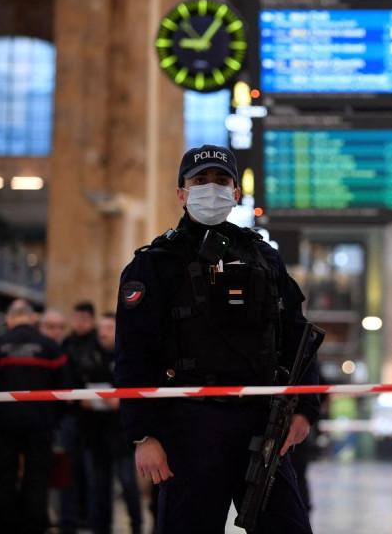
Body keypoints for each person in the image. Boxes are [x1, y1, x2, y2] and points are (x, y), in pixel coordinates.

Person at [115, 144, 320, 534]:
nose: (212, 188)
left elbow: (296, 335)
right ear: (181, 193)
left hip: (263, 424)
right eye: (200, 180)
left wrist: (305, 407)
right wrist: (143, 435)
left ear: (236, 192)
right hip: (189, 429)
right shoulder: (154, 263)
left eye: (222, 180)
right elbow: (133, 354)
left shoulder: (264, 257)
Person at [0, 299, 68, 534]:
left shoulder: (1, 344)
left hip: (3, 424)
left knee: (4, 475)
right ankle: (35, 525)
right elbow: (65, 387)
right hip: (40, 423)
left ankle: (6, 523)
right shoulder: (49, 346)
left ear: (9, 320)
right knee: (37, 477)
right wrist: (54, 419)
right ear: (32, 319)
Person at [82, 312, 142, 534]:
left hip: (122, 433)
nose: (103, 333)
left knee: (128, 483)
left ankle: (137, 526)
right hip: (96, 433)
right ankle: (101, 527)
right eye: (101, 329)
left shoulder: (127, 355)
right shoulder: (91, 356)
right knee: (99, 486)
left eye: (108, 328)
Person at [59, 301, 102, 534]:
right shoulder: (67, 343)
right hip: (71, 416)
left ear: (90, 319)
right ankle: (69, 520)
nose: (78, 323)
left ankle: (92, 519)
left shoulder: (99, 343)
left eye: (83, 319)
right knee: (70, 470)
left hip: (96, 419)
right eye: (75, 318)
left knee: (92, 471)